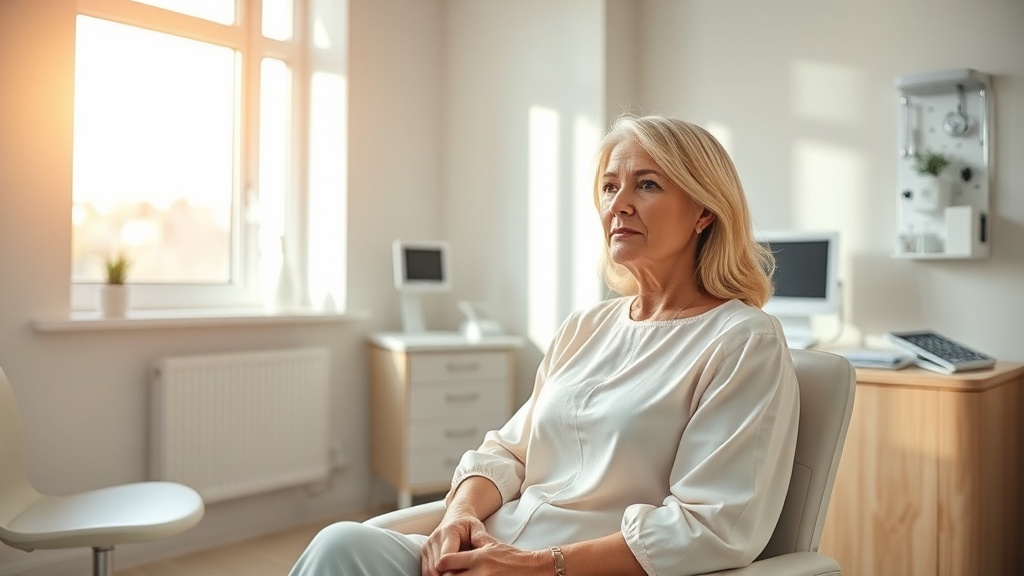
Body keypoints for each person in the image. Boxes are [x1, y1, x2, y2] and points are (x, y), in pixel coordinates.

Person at [289, 114, 799, 576]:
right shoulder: (586, 326)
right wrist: (460, 516)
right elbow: (509, 452)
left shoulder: (742, 341)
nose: (618, 205)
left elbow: (711, 525)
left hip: (566, 569)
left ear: (704, 212)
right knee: (340, 544)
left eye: (647, 185)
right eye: (609, 186)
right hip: (491, 552)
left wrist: (536, 565)